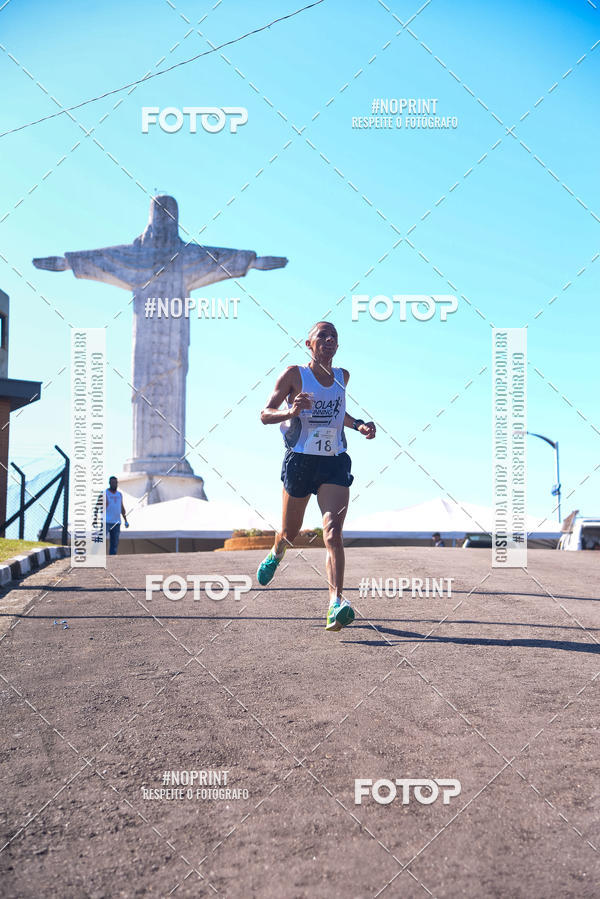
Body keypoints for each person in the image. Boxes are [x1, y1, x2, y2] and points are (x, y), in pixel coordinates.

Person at [257, 321, 376, 631]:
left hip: (334, 461)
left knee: (333, 533)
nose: (328, 339)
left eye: (333, 335)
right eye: (322, 334)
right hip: (301, 461)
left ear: (337, 346)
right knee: (289, 532)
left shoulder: (342, 377)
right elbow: (264, 414)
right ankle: (276, 551)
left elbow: (339, 414)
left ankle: (336, 603)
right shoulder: (295, 375)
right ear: (308, 343)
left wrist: (358, 424)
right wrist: (291, 412)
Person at [105, 476, 128, 555]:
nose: (114, 484)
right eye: (112, 483)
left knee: (114, 542)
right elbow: (98, 506)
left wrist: (125, 520)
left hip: (116, 522)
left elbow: (121, 507)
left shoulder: (119, 494)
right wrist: (95, 519)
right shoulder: (105, 493)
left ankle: (112, 558)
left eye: (115, 483)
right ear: (109, 483)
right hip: (106, 521)